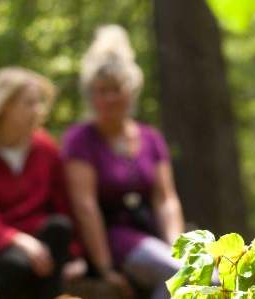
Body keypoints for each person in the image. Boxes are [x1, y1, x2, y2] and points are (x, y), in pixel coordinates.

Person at [62, 25, 185, 299]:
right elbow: (85, 207)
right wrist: (105, 267)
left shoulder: (150, 138)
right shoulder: (80, 140)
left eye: (115, 89)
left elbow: (165, 199)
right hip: (114, 239)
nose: (109, 98)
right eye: (101, 90)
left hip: (152, 235)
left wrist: (176, 245)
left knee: (197, 277)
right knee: (189, 277)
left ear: (130, 90)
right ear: (90, 95)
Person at [0, 67, 81, 299]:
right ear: (5, 106)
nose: (38, 111)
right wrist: (21, 241)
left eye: (39, 103)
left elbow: (62, 206)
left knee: (59, 227)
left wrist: (75, 255)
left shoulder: (46, 149)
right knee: (17, 266)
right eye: (29, 103)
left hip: (42, 245)